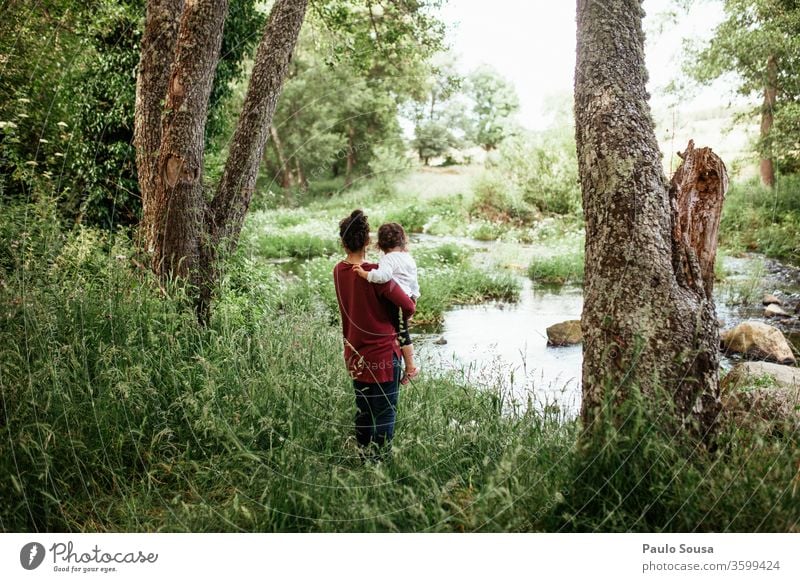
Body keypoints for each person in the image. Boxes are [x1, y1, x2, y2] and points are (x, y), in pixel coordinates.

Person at [333, 210, 416, 459]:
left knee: (364, 410)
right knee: (385, 412)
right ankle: (379, 465)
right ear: (368, 242)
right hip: (381, 355)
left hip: (355, 354)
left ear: (343, 242)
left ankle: (364, 459)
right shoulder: (377, 275)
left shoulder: (339, 271)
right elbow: (408, 307)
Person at [352, 222, 420, 384]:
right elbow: (414, 282)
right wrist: (414, 299)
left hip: (395, 302)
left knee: (401, 334)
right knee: (401, 333)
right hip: (408, 298)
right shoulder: (408, 258)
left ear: (380, 244)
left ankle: (411, 367)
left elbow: (383, 277)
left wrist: (365, 274)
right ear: (403, 240)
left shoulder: (388, 259)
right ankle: (408, 365)